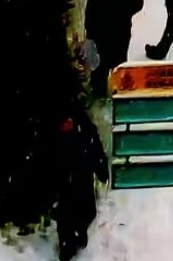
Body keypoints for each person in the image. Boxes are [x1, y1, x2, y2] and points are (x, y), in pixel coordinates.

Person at [52, 108, 108, 261]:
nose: (66, 126)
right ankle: (68, 251)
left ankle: (80, 240)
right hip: (64, 187)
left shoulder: (85, 132)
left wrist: (101, 170)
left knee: (86, 213)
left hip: (82, 180)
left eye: (68, 123)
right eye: (63, 124)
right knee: (65, 220)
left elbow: (95, 150)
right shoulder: (55, 140)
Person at [84, 0, 144, 95]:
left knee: (101, 65)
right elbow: (139, 3)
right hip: (121, 34)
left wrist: (90, 33)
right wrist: (126, 13)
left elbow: (90, 14)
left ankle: (98, 90)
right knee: (119, 63)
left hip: (102, 36)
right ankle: (121, 90)